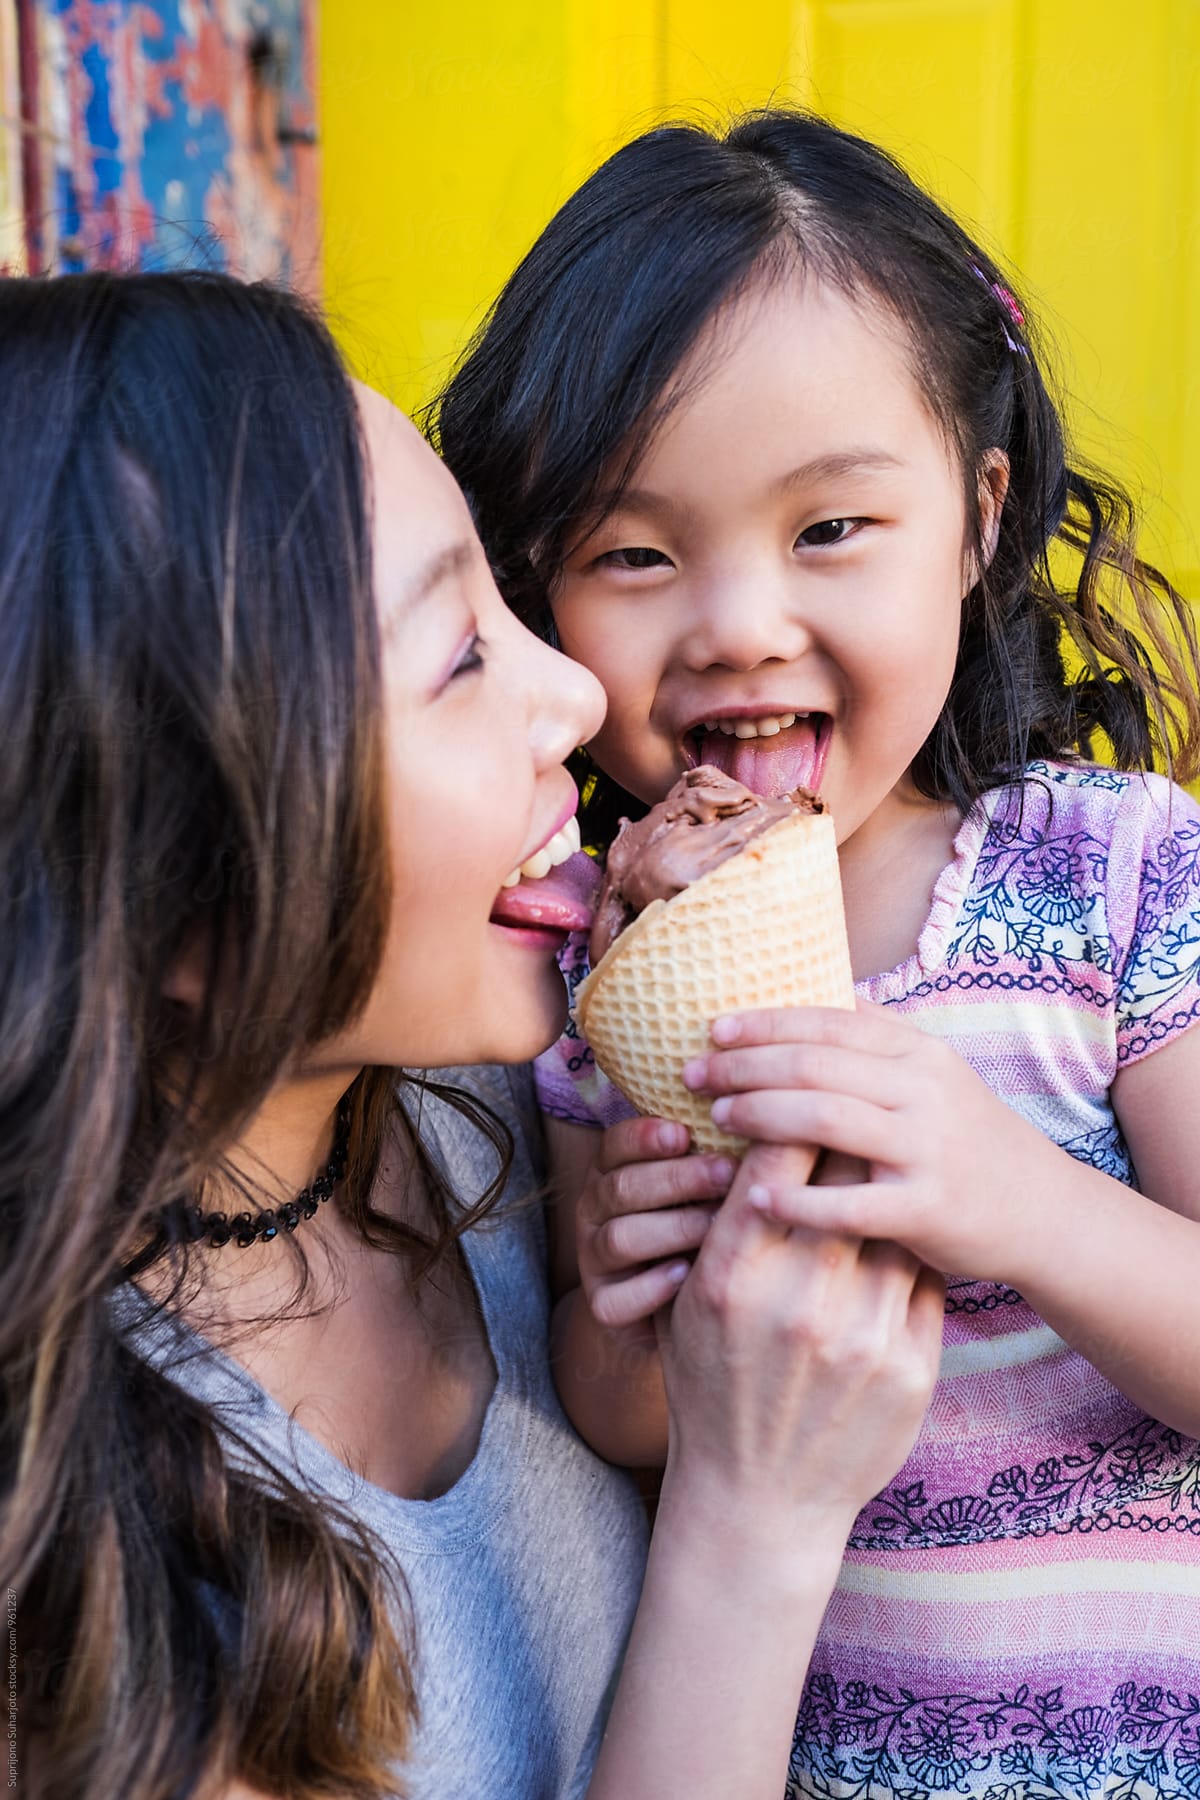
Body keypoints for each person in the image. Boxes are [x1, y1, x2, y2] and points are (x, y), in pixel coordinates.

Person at [0, 269, 943, 1800]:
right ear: (172, 876)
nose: (578, 694)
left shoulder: (521, 1101)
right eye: (458, 657)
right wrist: (757, 1521)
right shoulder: (66, 1584)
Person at [433, 110, 1200, 1796]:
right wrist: (636, 1324)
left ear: (980, 516)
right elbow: (628, 1428)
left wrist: (1019, 1196)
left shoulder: (1118, 873)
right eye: (634, 553)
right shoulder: (587, 982)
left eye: (829, 531)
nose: (737, 623)